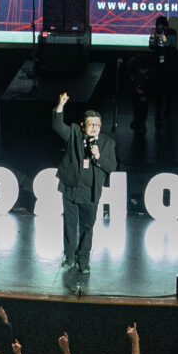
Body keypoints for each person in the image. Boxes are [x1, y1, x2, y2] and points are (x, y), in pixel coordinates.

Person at [52, 91, 115, 294]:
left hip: (91, 192)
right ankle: (69, 257)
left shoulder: (107, 143)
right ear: (83, 125)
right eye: (90, 124)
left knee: (88, 227)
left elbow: (111, 167)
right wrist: (60, 105)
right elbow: (57, 125)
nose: (94, 128)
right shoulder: (74, 134)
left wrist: (98, 156)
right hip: (71, 187)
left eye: (97, 125)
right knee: (70, 225)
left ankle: (83, 259)